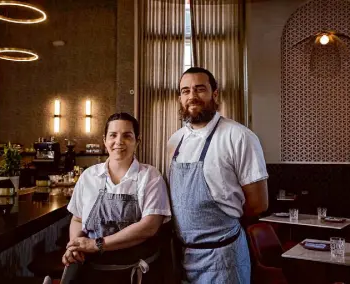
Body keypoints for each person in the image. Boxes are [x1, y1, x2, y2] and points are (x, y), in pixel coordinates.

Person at [167, 67, 269, 283]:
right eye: (185, 91)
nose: (192, 96)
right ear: (179, 98)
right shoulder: (175, 142)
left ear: (215, 94)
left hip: (224, 257)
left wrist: (220, 225)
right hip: (184, 256)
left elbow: (259, 204)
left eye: (199, 89)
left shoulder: (239, 137)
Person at [63, 112, 172, 284]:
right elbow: (77, 218)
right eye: (113, 135)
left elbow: (149, 226)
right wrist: (75, 245)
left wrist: (96, 244)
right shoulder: (89, 176)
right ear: (104, 140)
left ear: (137, 141)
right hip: (93, 274)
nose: (119, 142)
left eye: (127, 136)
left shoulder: (150, 176)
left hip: (135, 275)